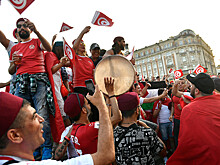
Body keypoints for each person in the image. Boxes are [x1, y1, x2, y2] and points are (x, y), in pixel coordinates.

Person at [0, 87, 115, 165]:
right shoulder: (95, 126)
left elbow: (57, 155)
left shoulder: (67, 131)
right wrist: (103, 104)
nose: (42, 119)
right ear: (15, 135)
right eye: (34, 116)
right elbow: (106, 155)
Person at [8, 18, 54, 160]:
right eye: (19, 26)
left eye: (25, 26)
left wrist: (38, 31)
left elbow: (49, 48)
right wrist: (14, 64)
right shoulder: (15, 48)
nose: (22, 28)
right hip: (21, 82)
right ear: (17, 30)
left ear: (30, 29)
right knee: (21, 116)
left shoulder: (36, 42)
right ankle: (32, 147)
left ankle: (46, 147)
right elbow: (10, 71)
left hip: (38, 80)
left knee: (42, 114)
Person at [54, 77, 121, 160]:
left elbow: (57, 156)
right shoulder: (93, 128)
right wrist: (111, 94)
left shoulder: (68, 130)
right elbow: (117, 117)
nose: (90, 104)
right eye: (87, 103)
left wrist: (107, 100)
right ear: (84, 110)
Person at [167, 73, 220, 164]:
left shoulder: (189, 110)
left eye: (191, 86)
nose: (189, 87)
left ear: (196, 91)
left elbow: (187, 143)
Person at [114, 92, 166, 164]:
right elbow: (163, 151)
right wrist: (147, 128)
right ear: (137, 110)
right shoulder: (147, 132)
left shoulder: (113, 134)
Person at [153, 89, 175, 162]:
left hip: (170, 123)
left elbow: (173, 109)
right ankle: (166, 152)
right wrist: (158, 109)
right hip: (162, 124)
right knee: (164, 139)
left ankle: (173, 151)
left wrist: (171, 115)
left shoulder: (169, 101)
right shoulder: (157, 103)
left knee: (171, 138)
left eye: (165, 95)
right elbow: (154, 115)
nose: (164, 97)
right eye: (163, 95)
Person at [169, 78, 190, 148]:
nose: (180, 85)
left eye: (182, 83)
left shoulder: (188, 94)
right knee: (176, 136)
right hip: (176, 118)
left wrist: (183, 107)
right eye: (179, 83)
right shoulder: (173, 95)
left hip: (185, 119)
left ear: (185, 85)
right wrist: (171, 115)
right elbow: (173, 105)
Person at [0, 28, 21, 94]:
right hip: (16, 85)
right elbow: (2, 38)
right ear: (16, 35)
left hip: (32, 83)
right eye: (18, 32)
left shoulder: (35, 45)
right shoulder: (12, 46)